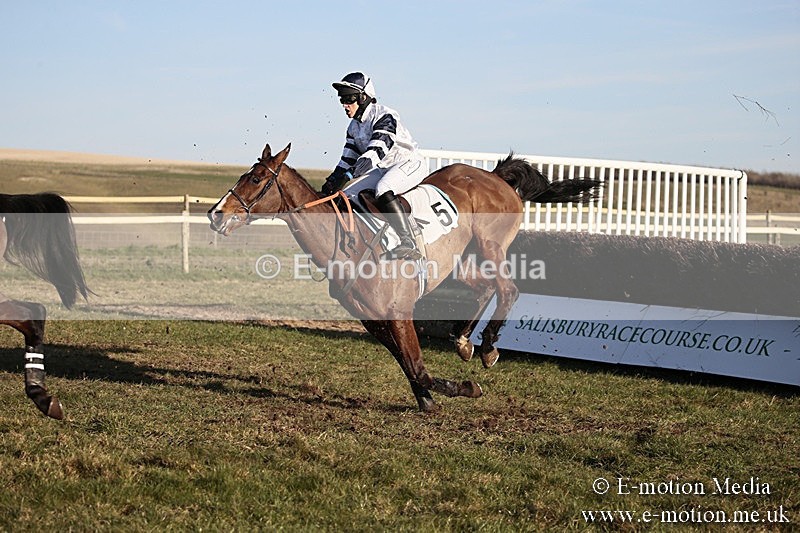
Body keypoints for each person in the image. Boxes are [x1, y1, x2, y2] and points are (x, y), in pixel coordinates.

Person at [322, 72, 427, 260]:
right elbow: (347, 159)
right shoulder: (353, 127)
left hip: (409, 163)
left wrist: (348, 176)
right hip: (385, 169)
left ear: (363, 98)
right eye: (342, 100)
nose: (344, 105)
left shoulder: (385, 115)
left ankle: (407, 241)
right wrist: (332, 181)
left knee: (383, 189)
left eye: (348, 99)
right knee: (345, 197)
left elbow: (374, 153)